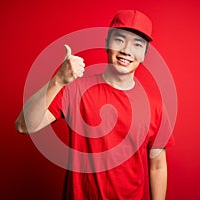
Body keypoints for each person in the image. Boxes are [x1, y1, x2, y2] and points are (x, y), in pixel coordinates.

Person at [15, 10, 174, 200]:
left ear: (145, 53)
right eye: (120, 40)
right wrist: (58, 80)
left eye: (137, 44)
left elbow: (157, 165)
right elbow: (24, 125)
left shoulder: (154, 106)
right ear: (107, 43)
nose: (126, 50)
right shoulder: (75, 90)